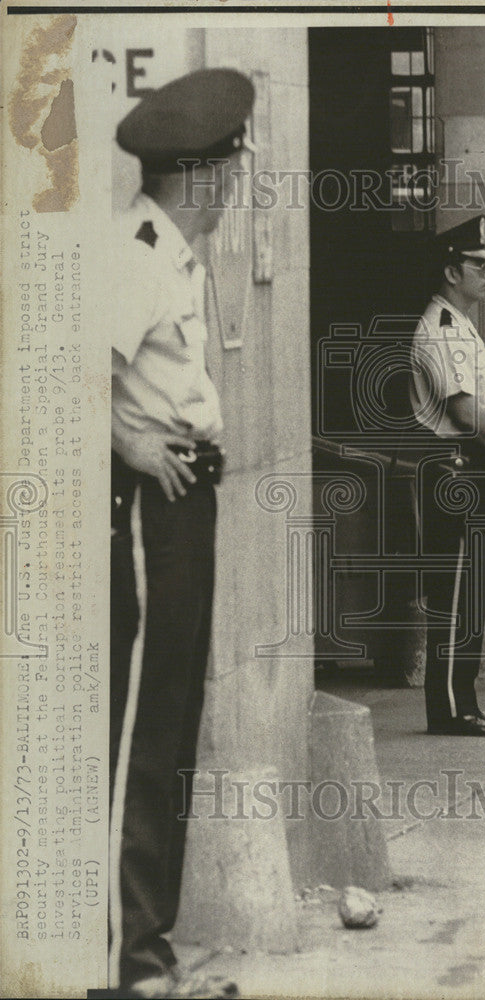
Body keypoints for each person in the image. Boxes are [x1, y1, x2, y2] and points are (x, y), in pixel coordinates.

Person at [109, 68, 255, 999]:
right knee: (143, 735)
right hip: (147, 514)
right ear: (201, 175)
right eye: (233, 167)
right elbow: (37, 369)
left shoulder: (177, 257)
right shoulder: (133, 253)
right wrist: (125, 437)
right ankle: (124, 965)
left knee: (175, 729)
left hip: (187, 499)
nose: (239, 182)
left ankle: (148, 956)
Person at [409, 216, 485, 736]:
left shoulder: (460, 325)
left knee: (470, 590)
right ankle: (451, 707)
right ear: (450, 270)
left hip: (472, 466)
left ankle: (464, 701)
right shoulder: (441, 329)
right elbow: (464, 412)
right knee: (456, 591)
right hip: (456, 466)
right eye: (477, 265)